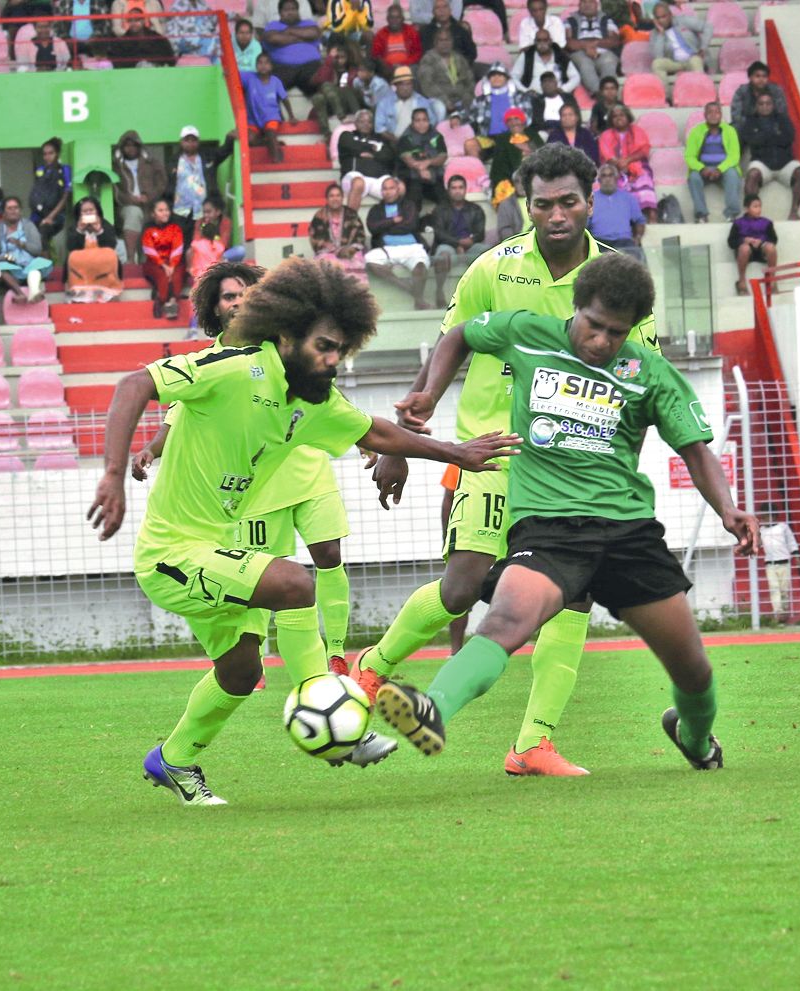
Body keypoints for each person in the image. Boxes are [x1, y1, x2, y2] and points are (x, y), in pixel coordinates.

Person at [87, 256, 518, 805]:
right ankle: (331, 712)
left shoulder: (314, 400)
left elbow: (378, 433)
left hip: (221, 550)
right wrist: (112, 475)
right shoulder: (235, 366)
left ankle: (172, 760)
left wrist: (456, 452)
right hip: (171, 554)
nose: (333, 359)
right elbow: (132, 386)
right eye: (324, 347)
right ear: (287, 337)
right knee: (295, 582)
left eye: (341, 348)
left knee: (241, 673)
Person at [376, 250, 753, 773]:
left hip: (627, 533)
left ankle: (695, 737)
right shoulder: (528, 332)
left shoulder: (652, 373)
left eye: (615, 333)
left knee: (691, 669)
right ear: (575, 307)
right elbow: (459, 333)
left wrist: (730, 511)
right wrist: (426, 397)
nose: (600, 341)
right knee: (505, 620)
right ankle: (432, 709)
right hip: (550, 529)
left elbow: (695, 450)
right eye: (594, 325)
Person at [362, 143, 654, 776]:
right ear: (528, 204)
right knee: (465, 582)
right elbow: (454, 339)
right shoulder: (494, 268)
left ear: (590, 200)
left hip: (575, 469)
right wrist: (417, 415)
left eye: (568, 202)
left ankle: (532, 744)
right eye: (543, 204)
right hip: (493, 452)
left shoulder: (618, 280)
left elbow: (640, 374)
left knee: (571, 599)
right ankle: (371, 670)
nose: (555, 215)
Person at [133, 261, 361, 678]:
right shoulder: (215, 362)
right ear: (214, 308)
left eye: (246, 293)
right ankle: (269, 665)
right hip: (259, 485)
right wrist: (151, 448)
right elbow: (178, 412)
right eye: (228, 296)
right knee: (272, 577)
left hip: (306, 466)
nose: (238, 302)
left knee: (327, 555)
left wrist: (376, 445)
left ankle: (335, 656)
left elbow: (330, 401)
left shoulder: (290, 350)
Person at [365, 175, 447, 308]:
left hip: (411, 247)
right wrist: (393, 221)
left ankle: (419, 301)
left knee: (420, 266)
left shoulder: (409, 205)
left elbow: (411, 225)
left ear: (398, 190)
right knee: (369, 260)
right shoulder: (376, 209)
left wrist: (386, 227)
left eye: (391, 188)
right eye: (385, 189)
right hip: (387, 249)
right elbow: (373, 227)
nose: (388, 191)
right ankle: (408, 287)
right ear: (381, 192)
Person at [739, 90, 800, 219]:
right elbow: (752, 141)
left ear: (773, 105)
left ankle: (794, 212)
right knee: (752, 175)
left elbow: (788, 139)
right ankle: (752, 215)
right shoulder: (750, 122)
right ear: (756, 106)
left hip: (784, 164)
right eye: (761, 104)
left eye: (768, 103)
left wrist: (763, 136)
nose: (765, 106)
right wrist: (774, 135)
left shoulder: (783, 119)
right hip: (762, 163)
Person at [169, 125, 236, 234]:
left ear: (198, 141)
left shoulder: (208, 155)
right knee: (183, 245)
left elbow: (224, 151)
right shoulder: (173, 160)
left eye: (193, 140)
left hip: (204, 211)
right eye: (187, 140)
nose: (190, 143)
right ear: (181, 142)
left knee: (204, 243)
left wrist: (229, 138)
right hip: (181, 211)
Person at [112, 129, 165, 264]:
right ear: (122, 147)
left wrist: (148, 197)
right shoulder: (116, 165)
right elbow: (114, 189)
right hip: (126, 206)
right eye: (127, 145)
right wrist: (130, 199)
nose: (131, 148)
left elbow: (162, 183)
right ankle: (130, 259)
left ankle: (148, 261)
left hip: (150, 205)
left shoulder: (151, 162)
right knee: (133, 213)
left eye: (134, 145)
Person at [684, 101, 742, 223]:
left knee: (732, 175)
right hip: (703, 168)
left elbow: (734, 156)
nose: (713, 115)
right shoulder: (696, 131)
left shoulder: (730, 131)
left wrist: (720, 169)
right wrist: (701, 168)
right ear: (705, 115)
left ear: (721, 115)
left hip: (724, 168)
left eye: (717, 112)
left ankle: (731, 214)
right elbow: (689, 156)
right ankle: (701, 215)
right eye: (710, 112)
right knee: (693, 177)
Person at [598, 103, 655, 220]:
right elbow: (606, 155)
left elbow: (644, 150)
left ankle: (652, 218)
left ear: (628, 117)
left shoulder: (637, 131)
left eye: (622, 115)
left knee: (645, 179)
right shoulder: (605, 135)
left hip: (637, 166)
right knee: (606, 180)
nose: (619, 118)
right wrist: (619, 164)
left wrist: (628, 161)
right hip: (614, 168)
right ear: (611, 120)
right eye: (615, 116)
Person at [0, 196, 52, 304]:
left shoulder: (28, 225)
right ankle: (20, 294)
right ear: (4, 212)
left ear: (20, 211)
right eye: (9, 208)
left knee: (36, 268)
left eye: (16, 208)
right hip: (10, 270)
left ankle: (34, 293)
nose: (13, 211)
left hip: (29, 265)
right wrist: (3, 258)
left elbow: (37, 249)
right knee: (0, 268)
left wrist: (20, 244)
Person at [262, 0, 325, 97]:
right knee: (269, 90)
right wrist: (302, 38)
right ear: (280, 13)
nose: (290, 12)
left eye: (293, 9)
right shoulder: (273, 25)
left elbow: (314, 33)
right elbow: (273, 38)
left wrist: (288, 30)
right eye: (286, 10)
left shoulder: (308, 23)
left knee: (324, 83)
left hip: (310, 66)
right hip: (282, 68)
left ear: (298, 11)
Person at [66, 196, 123, 303]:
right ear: (79, 213)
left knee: (111, 256)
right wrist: (79, 230)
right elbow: (71, 247)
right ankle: (81, 295)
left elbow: (111, 246)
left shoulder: (105, 225)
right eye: (84, 211)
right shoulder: (74, 227)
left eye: (91, 210)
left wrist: (99, 231)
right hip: (82, 264)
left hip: (101, 264)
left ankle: (108, 293)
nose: (88, 213)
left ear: (97, 211)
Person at [310, 182, 369, 281]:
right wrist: (333, 250)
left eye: (338, 195)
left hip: (349, 252)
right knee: (327, 265)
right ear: (327, 199)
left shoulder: (351, 214)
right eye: (331, 196)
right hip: (327, 253)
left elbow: (360, 236)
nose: (335, 199)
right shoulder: (319, 215)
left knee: (354, 263)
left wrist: (350, 249)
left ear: (342, 198)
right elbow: (314, 238)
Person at [337, 108, 396, 206]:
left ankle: (392, 218)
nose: (366, 124)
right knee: (358, 183)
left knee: (400, 187)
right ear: (355, 123)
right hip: (354, 177)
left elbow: (388, 156)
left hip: (377, 179)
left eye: (369, 122)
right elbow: (351, 146)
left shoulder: (381, 139)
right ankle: (351, 219)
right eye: (362, 121)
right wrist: (372, 147)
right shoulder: (347, 135)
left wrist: (373, 156)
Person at [244, 53, 295, 164]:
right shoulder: (249, 78)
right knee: (249, 140)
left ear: (271, 66)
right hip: (253, 118)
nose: (263, 65)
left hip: (271, 116)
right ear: (256, 65)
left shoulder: (276, 81)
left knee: (270, 132)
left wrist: (291, 116)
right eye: (260, 63)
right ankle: (269, 143)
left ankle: (276, 158)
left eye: (266, 63)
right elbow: (234, 74)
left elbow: (285, 99)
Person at [141, 197, 187, 320]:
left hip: (174, 262)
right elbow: (149, 250)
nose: (165, 213)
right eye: (160, 210)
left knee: (176, 276)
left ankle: (171, 301)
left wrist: (172, 265)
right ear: (153, 214)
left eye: (166, 210)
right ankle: (161, 300)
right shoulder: (148, 229)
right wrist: (163, 265)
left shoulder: (175, 227)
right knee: (162, 276)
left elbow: (178, 248)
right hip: (154, 263)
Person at [429, 172, 487, 269]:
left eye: (460, 187)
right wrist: (458, 243)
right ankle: (441, 285)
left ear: (465, 190)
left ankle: (486, 284)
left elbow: (480, 233)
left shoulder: (476, 209)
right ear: (448, 190)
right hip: (448, 246)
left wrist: (471, 241)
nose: (457, 191)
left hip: (470, 247)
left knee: (490, 254)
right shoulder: (439, 210)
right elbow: (439, 234)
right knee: (443, 257)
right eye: (454, 188)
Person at [648, 2, 709, 89]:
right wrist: (661, 33)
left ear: (670, 15)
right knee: (656, 64)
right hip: (674, 62)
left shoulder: (683, 21)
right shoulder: (654, 34)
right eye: (658, 18)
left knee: (696, 60)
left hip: (691, 58)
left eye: (664, 16)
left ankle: (702, 92)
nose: (661, 20)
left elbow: (708, 27)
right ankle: (665, 96)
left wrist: (703, 48)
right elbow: (658, 56)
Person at [563, 0, 620, 93]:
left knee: (609, 63)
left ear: (596, 5)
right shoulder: (570, 20)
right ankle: (599, 93)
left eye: (591, 2)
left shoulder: (606, 20)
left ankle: (609, 92)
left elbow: (614, 41)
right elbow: (567, 42)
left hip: (603, 51)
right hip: (579, 52)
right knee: (585, 63)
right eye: (584, 2)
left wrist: (595, 44)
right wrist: (586, 47)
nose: (587, 5)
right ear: (579, 5)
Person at [397, 105, 449, 204]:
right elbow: (408, 160)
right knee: (414, 197)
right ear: (412, 122)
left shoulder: (436, 136)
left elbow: (443, 156)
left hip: (434, 176)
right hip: (411, 178)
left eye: (424, 120)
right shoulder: (405, 138)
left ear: (429, 121)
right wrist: (421, 169)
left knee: (444, 199)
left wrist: (428, 162)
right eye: (418, 120)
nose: (421, 123)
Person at [727, 194, 777, 295]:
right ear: (746, 209)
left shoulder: (767, 222)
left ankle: (772, 280)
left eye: (759, 206)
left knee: (771, 247)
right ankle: (741, 281)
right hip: (745, 254)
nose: (758, 209)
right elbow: (731, 242)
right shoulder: (738, 223)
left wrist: (762, 241)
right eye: (755, 206)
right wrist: (744, 240)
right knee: (744, 248)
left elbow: (774, 239)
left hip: (761, 251)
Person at [29, 137, 72, 253]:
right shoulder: (40, 170)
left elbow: (66, 195)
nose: (47, 157)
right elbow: (37, 193)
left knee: (44, 233)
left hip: (56, 216)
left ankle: (46, 268)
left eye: (51, 153)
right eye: (45, 154)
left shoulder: (64, 169)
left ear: (57, 153)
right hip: (37, 215)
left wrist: (50, 217)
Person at [588, 161, 639, 252]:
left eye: (610, 175)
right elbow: (585, 224)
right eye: (604, 176)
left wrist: (638, 237)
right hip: (599, 242)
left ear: (616, 178)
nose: (607, 179)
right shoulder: (591, 198)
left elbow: (639, 221)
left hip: (624, 242)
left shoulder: (628, 198)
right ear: (599, 180)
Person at [514, 29, 579, 98]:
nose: (542, 44)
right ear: (535, 42)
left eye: (545, 40)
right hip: (533, 98)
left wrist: (563, 89)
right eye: (539, 40)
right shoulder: (527, 55)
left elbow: (576, 77)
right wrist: (525, 91)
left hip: (557, 97)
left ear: (550, 41)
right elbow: (514, 76)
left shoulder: (560, 55)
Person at [728, 61, 787, 126]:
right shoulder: (741, 92)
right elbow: (736, 117)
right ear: (750, 77)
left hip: (770, 125)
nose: (761, 79)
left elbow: (782, 114)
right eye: (757, 76)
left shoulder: (776, 91)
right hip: (747, 126)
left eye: (764, 76)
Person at [371, 3, 422, 75]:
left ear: (402, 19)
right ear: (387, 19)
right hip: (387, 68)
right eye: (392, 17)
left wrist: (403, 64)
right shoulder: (381, 34)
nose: (394, 20)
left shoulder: (411, 32)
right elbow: (376, 54)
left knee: (415, 69)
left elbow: (417, 53)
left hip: (407, 66)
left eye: (398, 17)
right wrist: (388, 65)